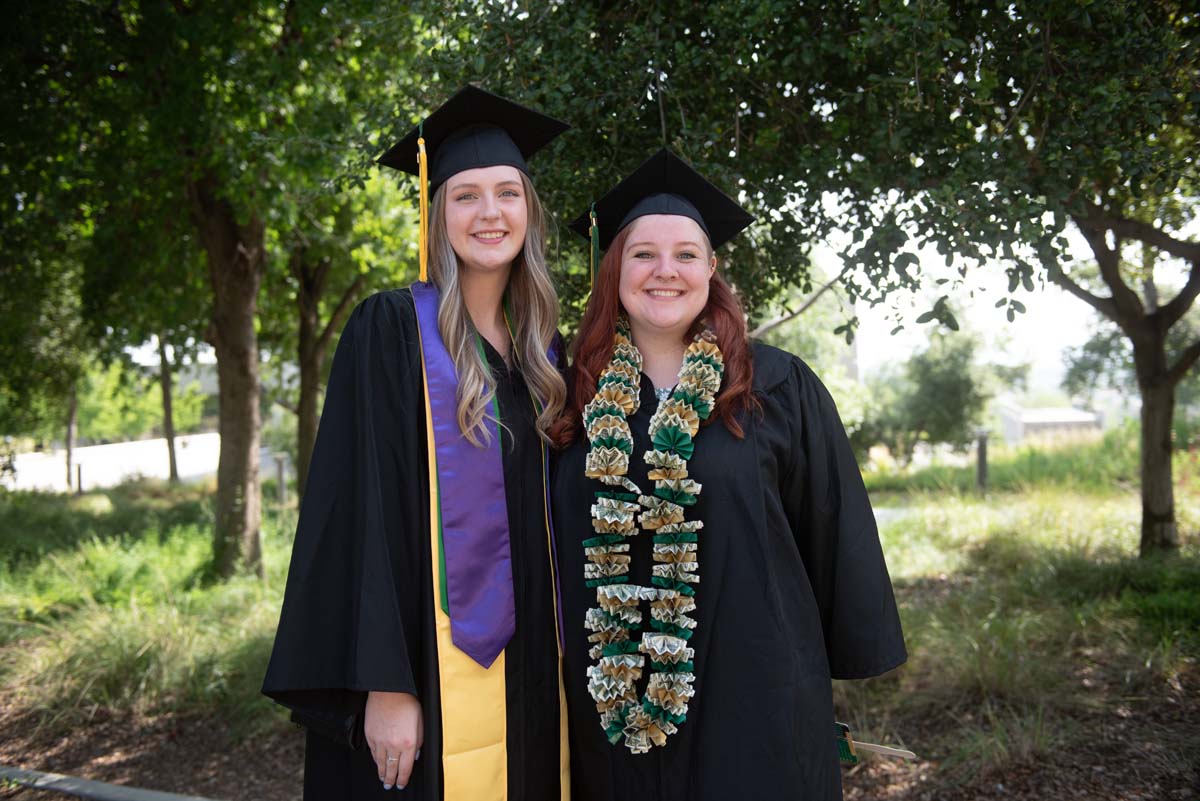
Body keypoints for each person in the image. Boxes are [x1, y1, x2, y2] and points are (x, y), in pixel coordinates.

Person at [549, 149, 907, 800]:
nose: (666, 270)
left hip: (758, 693)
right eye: (643, 254)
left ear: (711, 269)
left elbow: (831, 519)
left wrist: (848, 649)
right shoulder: (570, 397)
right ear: (614, 270)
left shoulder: (773, 384)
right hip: (612, 710)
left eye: (686, 253)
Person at [263, 86, 571, 801]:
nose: (489, 214)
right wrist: (385, 682)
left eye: (507, 193)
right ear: (436, 215)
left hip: (533, 676)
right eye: (465, 196)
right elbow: (359, 514)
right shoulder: (391, 332)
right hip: (426, 676)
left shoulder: (546, 356)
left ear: (530, 211)